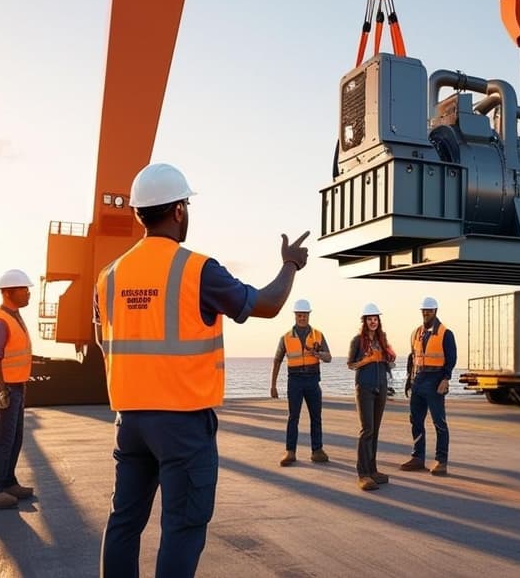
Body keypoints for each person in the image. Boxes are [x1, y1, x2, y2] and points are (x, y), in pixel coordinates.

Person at [95, 162, 310, 578]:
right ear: (178, 211)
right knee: (182, 526)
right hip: (182, 424)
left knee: (123, 522)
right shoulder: (197, 270)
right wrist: (290, 266)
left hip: (130, 421)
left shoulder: (109, 276)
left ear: (139, 213)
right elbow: (266, 305)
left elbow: (106, 341)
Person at [0, 268, 36, 510]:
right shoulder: (0, 321)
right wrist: (2, 390)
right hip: (4, 390)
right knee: (0, 440)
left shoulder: (15, 316)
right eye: (24, 290)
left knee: (14, 438)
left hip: (16, 387)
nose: (28, 294)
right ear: (9, 292)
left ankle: (8, 482)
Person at [270, 298, 332, 466]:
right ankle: (290, 452)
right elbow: (277, 361)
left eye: (304, 315)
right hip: (295, 381)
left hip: (312, 380)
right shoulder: (285, 337)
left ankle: (317, 450)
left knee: (316, 416)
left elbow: (329, 358)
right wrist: (273, 385)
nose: (302, 317)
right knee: (293, 417)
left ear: (308, 315)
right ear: (295, 316)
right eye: (299, 315)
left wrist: (319, 354)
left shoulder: (318, 335)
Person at [400, 297, 456, 477]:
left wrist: (446, 379)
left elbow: (451, 358)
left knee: (439, 423)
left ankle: (441, 460)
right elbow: (413, 357)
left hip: (435, 381)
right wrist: (409, 380)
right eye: (424, 311)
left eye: (429, 311)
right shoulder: (416, 333)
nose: (426, 313)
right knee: (415, 420)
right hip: (418, 381)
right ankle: (417, 457)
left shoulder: (445, 333)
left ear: (435, 311)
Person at [346, 303, 395, 491]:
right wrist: (366, 360)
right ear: (364, 321)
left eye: (375, 319)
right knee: (366, 430)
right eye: (369, 319)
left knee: (375, 430)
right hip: (364, 387)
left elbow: (386, 362)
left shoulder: (382, 339)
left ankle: (373, 470)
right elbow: (350, 364)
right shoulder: (357, 341)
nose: (373, 322)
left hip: (381, 386)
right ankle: (363, 473)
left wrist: (388, 359)